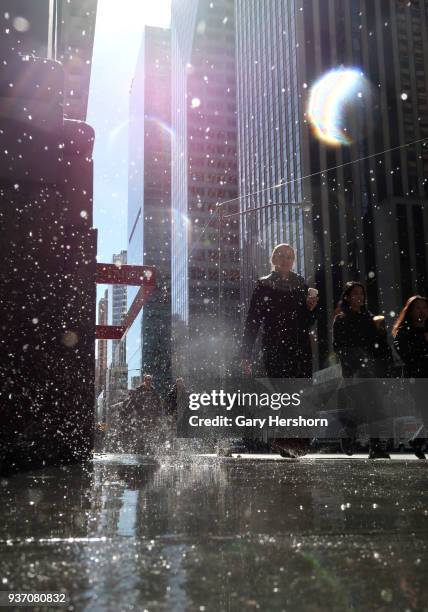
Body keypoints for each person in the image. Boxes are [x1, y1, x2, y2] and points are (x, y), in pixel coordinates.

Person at [241, 243, 318, 458]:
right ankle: (286, 441)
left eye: (290, 256)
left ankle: (290, 442)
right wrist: (245, 352)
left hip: (300, 347)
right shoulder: (264, 284)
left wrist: (311, 308)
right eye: (281, 255)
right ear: (273, 259)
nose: (286, 259)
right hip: (275, 347)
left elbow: (307, 320)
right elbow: (253, 320)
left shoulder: (300, 284)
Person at [333, 281, 394, 459]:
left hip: (374, 369)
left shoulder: (371, 318)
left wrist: (387, 360)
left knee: (371, 407)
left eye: (362, 294)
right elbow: (339, 346)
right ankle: (368, 442)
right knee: (370, 405)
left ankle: (358, 437)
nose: (359, 297)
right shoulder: (341, 319)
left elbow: (382, 345)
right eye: (355, 293)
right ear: (347, 296)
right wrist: (354, 365)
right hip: (355, 371)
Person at [392, 295, 428, 459]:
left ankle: (417, 441)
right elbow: (406, 355)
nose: (422, 311)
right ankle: (418, 441)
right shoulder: (403, 332)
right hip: (417, 378)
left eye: (424, 307)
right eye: (418, 307)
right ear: (410, 311)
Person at [127, 374, 163, 452]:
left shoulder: (154, 391)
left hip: (151, 416)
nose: (148, 381)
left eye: (150, 380)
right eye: (147, 380)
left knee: (150, 433)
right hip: (141, 415)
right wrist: (134, 410)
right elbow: (133, 400)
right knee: (140, 433)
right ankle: (139, 448)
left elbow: (158, 404)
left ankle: (148, 449)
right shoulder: (139, 389)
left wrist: (158, 415)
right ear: (144, 380)